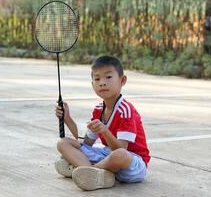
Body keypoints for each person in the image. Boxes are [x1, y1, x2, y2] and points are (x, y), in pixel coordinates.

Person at [55, 55, 150, 191]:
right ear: (92, 84)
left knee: (120, 155)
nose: (102, 83)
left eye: (108, 77)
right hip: (108, 157)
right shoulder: (98, 110)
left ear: (122, 80)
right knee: (63, 143)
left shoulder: (126, 110)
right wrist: (67, 119)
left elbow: (121, 149)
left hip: (131, 163)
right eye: (97, 79)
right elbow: (85, 143)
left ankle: (87, 170)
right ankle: (99, 175)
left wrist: (105, 131)